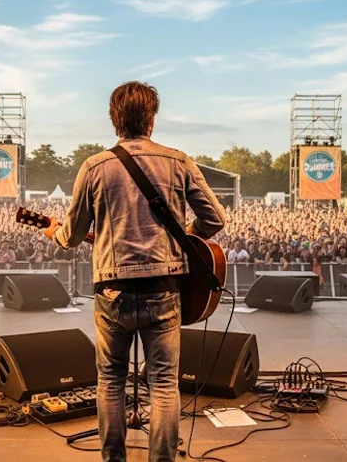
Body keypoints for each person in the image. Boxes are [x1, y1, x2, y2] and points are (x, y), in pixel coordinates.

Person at [43, 81, 227, 462]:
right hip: (163, 289)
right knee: (163, 384)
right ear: (152, 120)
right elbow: (216, 218)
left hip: (112, 291)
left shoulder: (94, 166)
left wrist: (55, 234)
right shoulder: (178, 161)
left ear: (114, 120)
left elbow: (74, 234)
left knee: (110, 381)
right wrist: (189, 237)